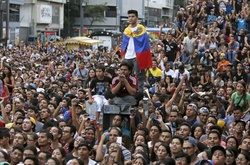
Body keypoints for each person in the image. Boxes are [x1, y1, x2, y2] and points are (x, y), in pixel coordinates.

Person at [121, 9, 152, 92]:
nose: (131, 18)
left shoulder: (141, 29)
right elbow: (124, 44)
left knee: (139, 76)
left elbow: (145, 44)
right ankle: (127, 91)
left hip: (137, 56)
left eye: (133, 16)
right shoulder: (126, 30)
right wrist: (123, 55)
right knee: (126, 75)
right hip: (127, 56)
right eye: (129, 17)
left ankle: (139, 93)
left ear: (137, 17)